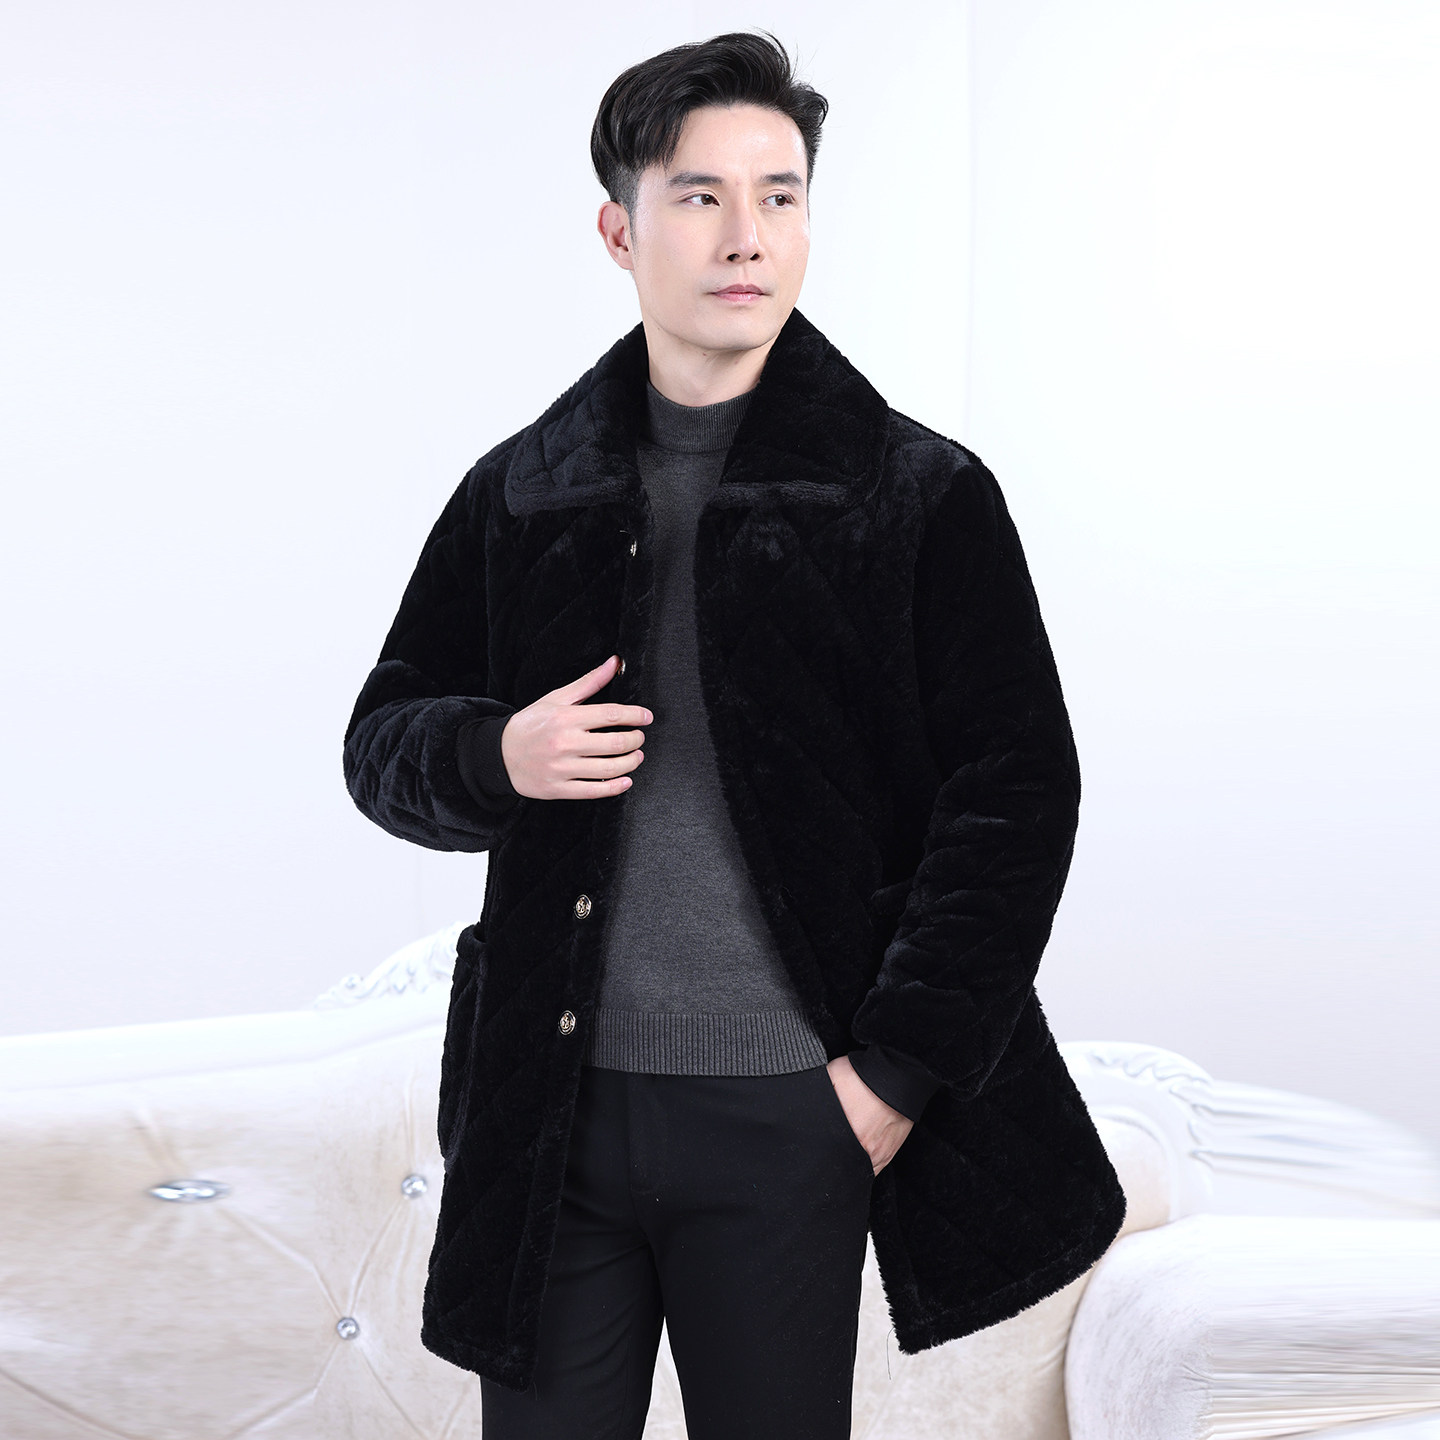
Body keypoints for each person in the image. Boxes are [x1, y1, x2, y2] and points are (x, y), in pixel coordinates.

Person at [342, 28, 1126, 1440]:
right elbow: (382, 738)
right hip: (551, 1114)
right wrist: (495, 755)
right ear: (619, 230)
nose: (745, 235)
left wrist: (887, 1082)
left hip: (791, 1116)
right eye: (700, 196)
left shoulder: (919, 495)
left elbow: (1018, 799)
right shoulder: (523, 493)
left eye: (780, 195)